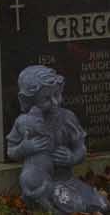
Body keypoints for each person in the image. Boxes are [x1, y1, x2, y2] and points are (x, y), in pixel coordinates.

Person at [6, 65, 109, 214]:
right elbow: (11, 151)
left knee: (102, 204)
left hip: (67, 180)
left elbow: (81, 148)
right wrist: (25, 148)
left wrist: (72, 157)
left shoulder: (67, 118)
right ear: (29, 100)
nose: (55, 102)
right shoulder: (23, 122)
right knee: (74, 206)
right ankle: (45, 202)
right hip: (42, 183)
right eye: (46, 99)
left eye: (57, 95)